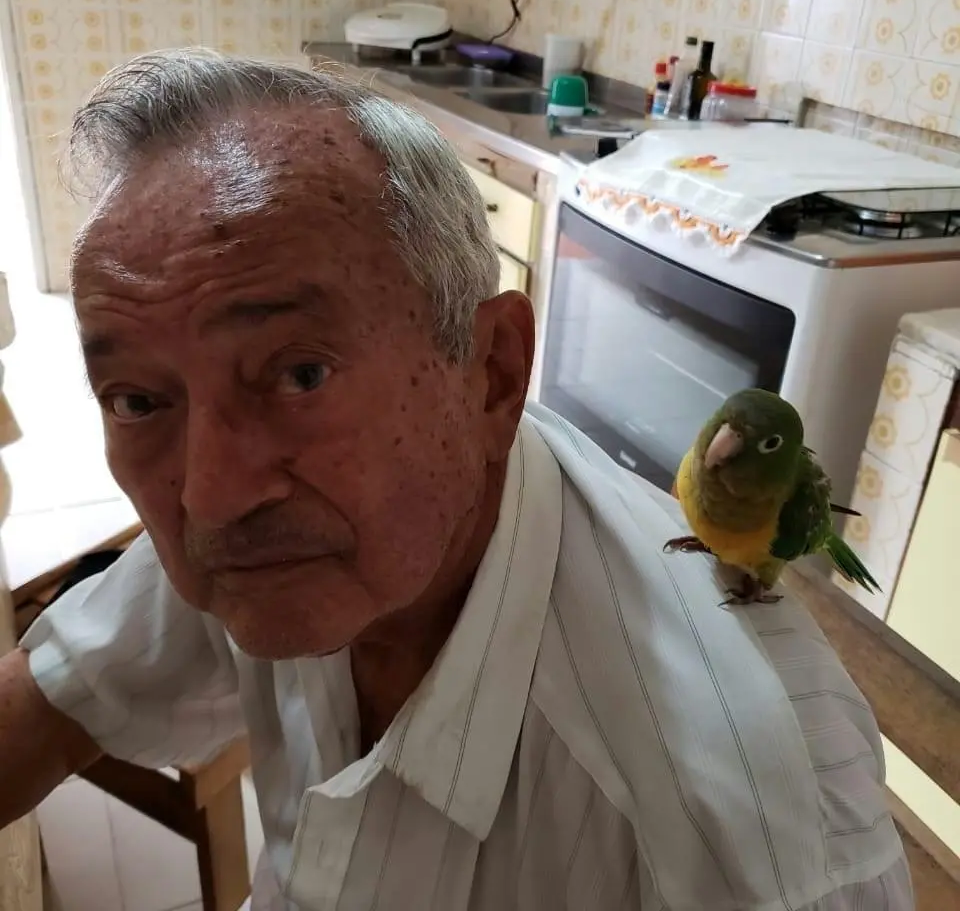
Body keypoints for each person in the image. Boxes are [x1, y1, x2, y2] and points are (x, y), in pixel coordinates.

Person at [0, 50, 912, 911]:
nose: (208, 497)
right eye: (136, 400)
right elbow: (46, 704)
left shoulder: (753, 834)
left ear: (492, 375)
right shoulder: (272, 530)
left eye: (299, 375)